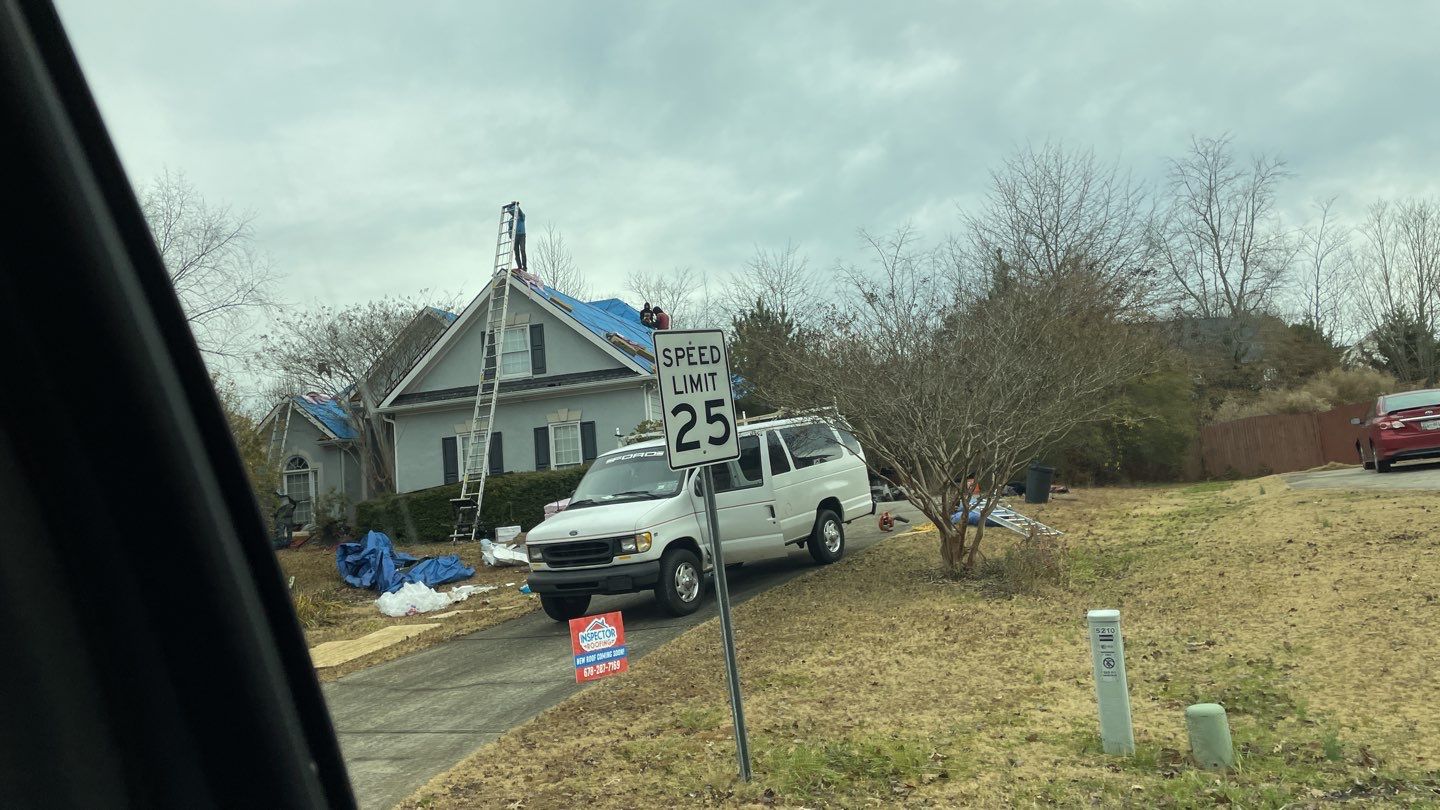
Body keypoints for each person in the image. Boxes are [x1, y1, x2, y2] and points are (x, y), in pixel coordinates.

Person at [508, 201, 527, 271]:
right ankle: (519, 267)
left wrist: (517, 206)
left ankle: (524, 267)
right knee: (516, 252)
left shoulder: (521, 216)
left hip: (522, 235)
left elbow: (520, 211)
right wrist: (510, 235)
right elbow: (510, 229)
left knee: (522, 250)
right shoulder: (511, 220)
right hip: (515, 236)